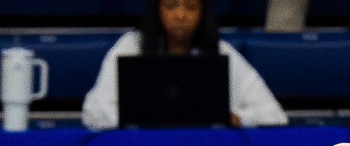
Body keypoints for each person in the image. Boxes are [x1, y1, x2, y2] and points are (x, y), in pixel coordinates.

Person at [82, 0, 287, 130]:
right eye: (171, 6)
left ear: (202, 13)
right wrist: (133, 116)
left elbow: (275, 115)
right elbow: (93, 112)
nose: (180, 15)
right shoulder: (131, 46)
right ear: (157, 10)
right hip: (144, 145)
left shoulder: (221, 52)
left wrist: (239, 118)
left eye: (190, 7)